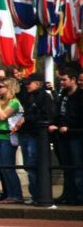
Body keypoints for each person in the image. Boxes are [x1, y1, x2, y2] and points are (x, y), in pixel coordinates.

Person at [14, 73, 53, 204]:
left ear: (38, 83)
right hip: (26, 134)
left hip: (35, 135)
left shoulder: (44, 97)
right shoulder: (29, 96)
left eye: (29, 83)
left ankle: (39, 195)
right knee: (28, 166)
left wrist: (26, 118)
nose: (26, 85)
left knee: (33, 165)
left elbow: (45, 116)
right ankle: (35, 195)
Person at [0, 77, 23, 203]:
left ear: (9, 88)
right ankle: (9, 194)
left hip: (7, 138)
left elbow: (2, 116)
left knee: (8, 168)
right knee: (2, 168)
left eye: (1, 87)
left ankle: (16, 195)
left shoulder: (14, 102)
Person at [50, 64, 83, 205]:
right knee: (66, 167)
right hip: (62, 136)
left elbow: (79, 116)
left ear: (73, 80)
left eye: (64, 80)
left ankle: (80, 196)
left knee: (77, 166)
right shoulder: (62, 94)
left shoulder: (80, 95)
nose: (61, 83)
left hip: (75, 135)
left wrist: (68, 126)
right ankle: (68, 195)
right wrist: (56, 125)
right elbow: (59, 112)